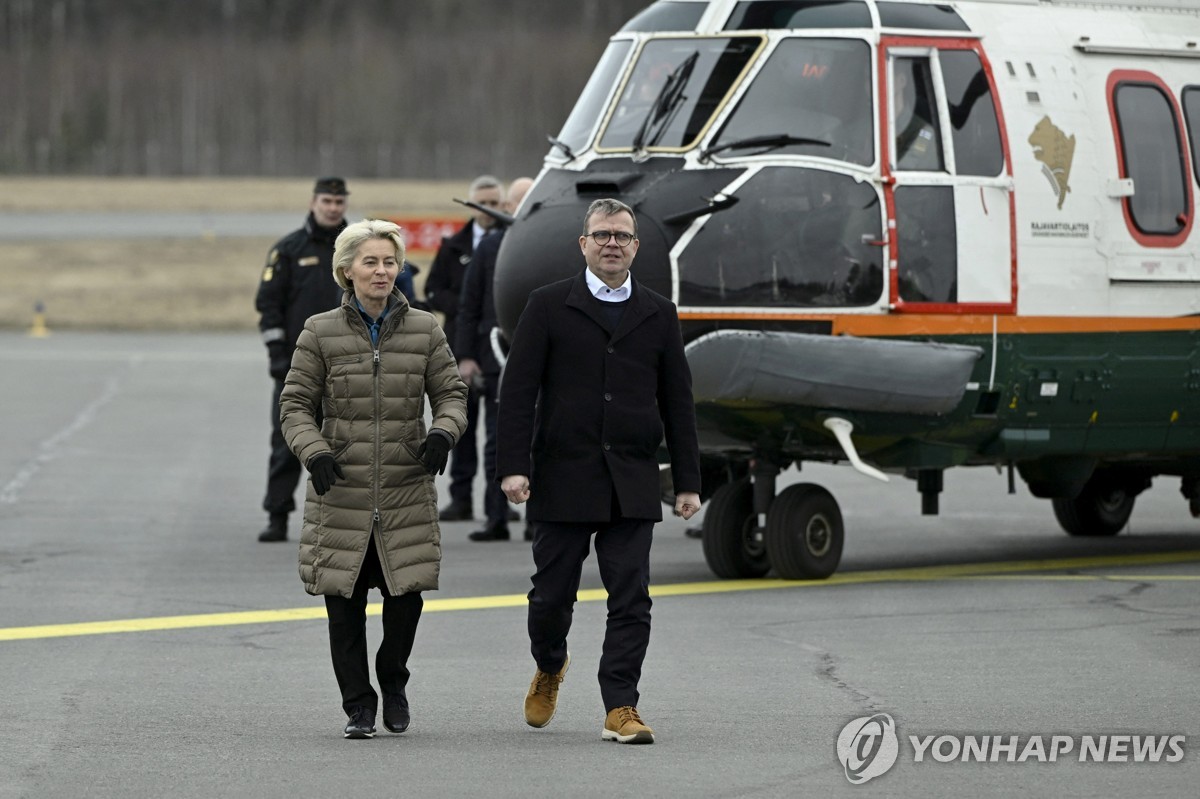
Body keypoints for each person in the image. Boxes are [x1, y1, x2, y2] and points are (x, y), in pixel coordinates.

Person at [496, 198, 702, 745]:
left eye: (623, 236)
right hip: (563, 474)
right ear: (583, 244)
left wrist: (687, 480)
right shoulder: (546, 305)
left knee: (631, 597)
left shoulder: (659, 311)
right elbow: (516, 394)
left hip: (631, 477)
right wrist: (513, 467)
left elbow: (678, 400)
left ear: (636, 247)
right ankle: (550, 663)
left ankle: (621, 705)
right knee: (549, 599)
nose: (612, 243)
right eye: (602, 234)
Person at [279, 219, 468, 739]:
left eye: (389, 261)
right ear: (347, 271)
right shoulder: (319, 331)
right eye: (371, 262)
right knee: (344, 607)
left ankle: (393, 677)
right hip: (338, 487)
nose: (382, 271)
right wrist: (314, 452)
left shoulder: (426, 328)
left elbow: (451, 393)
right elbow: (294, 404)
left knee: (406, 599)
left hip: (406, 485)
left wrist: (443, 434)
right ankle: (358, 706)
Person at [254, 176, 351, 543]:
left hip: (347, 365)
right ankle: (277, 515)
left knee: (342, 444)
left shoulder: (355, 248)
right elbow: (268, 305)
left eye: (339, 202)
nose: (332, 208)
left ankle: (338, 520)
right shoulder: (290, 250)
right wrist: (278, 355)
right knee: (287, 441)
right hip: (298, 368)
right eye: (326, 201)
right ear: (314, 202)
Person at [456, 176, 534, 542]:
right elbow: (468, 307)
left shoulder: (548, 246)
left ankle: (537, 519)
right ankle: (495, 518)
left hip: (539, 360)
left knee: (541, 441)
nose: (515, 210)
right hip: (494, 359)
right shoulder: (488, 249)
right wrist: (466, 356)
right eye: (511, 204)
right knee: (495, 442)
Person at [425, 175, 504, 522]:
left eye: (495, 203)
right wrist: (466, 304)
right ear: (471, 206)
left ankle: (498, 503)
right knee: (461, 425)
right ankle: (461, 497)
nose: (489, 210)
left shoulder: (509, 242)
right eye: (482, 203)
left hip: (496, 346)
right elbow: (433, 290)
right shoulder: (454, 245)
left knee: (500, 432)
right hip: (460, 344)